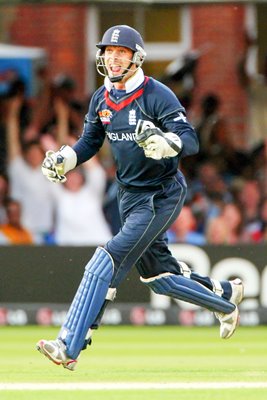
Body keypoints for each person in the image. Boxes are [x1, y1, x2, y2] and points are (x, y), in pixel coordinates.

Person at [36, 25, 244, 371]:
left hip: (160, 195)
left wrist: (167, 143)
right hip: (128, 196)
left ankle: (68, 343)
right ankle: (224, 299)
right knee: (158, 277)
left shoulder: (156, 94)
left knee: (108, 258)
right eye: (108, 52)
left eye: (121, 53)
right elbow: (90, 141)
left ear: (136, 58)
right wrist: (67, 159)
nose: (113, 59)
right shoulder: (102, 97)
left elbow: (190, 140)